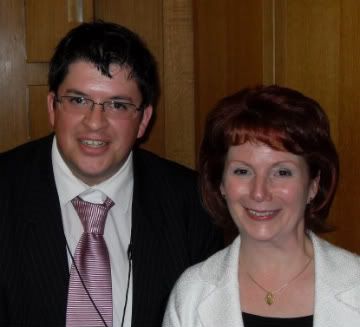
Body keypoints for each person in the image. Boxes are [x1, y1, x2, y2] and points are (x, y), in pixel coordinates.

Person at [0, 21, 222, 327]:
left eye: (117, 105)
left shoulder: (192, 204)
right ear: (52, 107)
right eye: (78, 100)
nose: (95, 123)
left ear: (144, 119)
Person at [163, 85, 360, 327]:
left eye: (282, 172)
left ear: (313, 185)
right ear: (221, 183)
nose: (259, 192)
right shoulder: (192, 293)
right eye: (243, 171)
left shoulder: (356, 286)